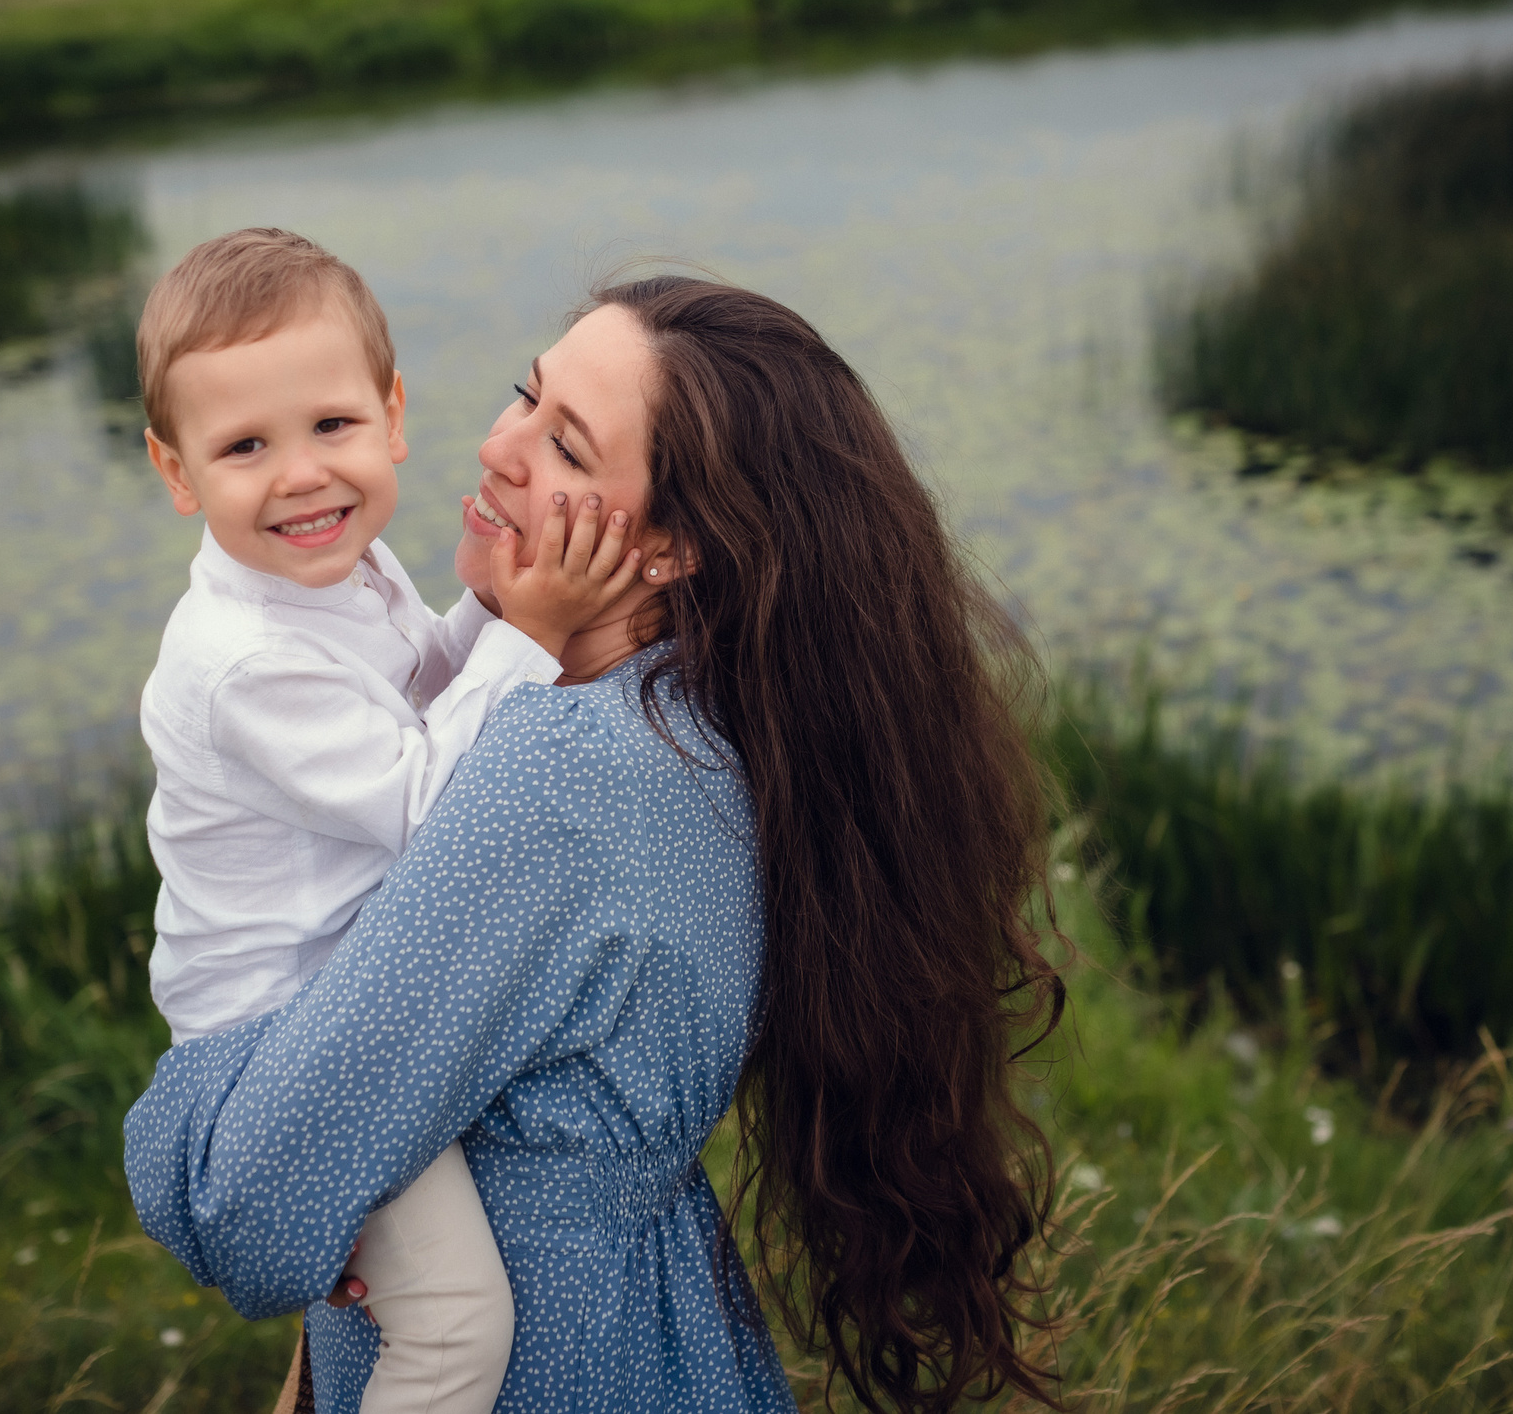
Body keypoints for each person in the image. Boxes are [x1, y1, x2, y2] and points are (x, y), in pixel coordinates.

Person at [127, 274, 1063, 1413]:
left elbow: (249, 1206)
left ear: (671, 547)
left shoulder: (553, 774)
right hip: (660, 1333)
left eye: (565, 446)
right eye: (525, 394)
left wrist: (202, 1144)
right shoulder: (704, 721)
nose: (496, 447)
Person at [133, 227, 642, 1414]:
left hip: (348, 1003)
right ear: (176, 470)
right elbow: (428, 803)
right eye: (245, 445)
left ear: (392, 413)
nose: (302, 475)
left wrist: (500, 605)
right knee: (456, 1320)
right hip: (278, 1050)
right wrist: (536, 629)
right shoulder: (242, 662)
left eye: (331, 425)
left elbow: (424, 691)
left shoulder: (341, 570)